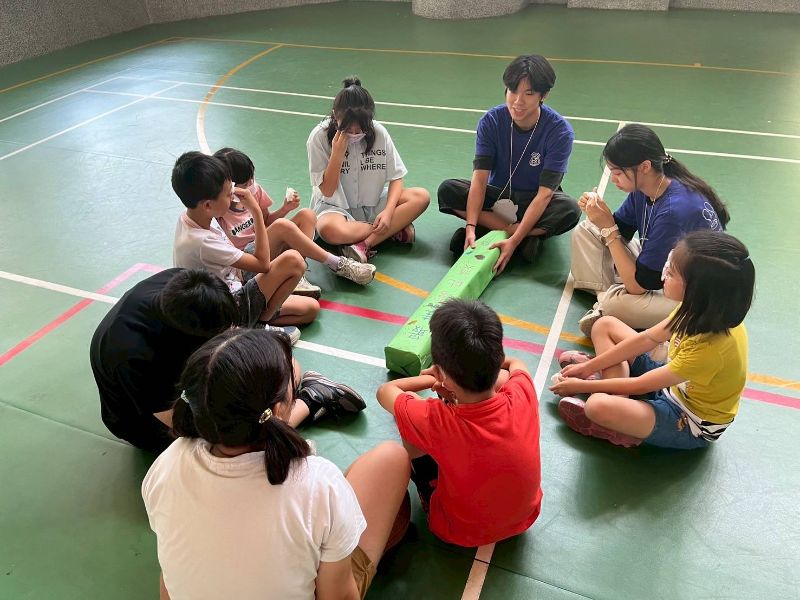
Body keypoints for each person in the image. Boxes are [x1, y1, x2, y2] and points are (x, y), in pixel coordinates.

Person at [142, 328, 410, 599]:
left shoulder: (166, 465)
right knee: (391, 460)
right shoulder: (319, 482)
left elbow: (169, 579)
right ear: (280, 409)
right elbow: (338, 597)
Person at [90, 269, 367, 454]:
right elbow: (180, 423)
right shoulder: (134, 357)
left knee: (289, 370)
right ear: (198, 340)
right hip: (145, 423)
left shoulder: (188, 285)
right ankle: (311, 399)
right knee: (235, 441)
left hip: (183, 382)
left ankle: (292, 404)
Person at [550, 231, 754, 450]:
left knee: (596, 406)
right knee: (604, 325)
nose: (664, 273)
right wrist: (588, 368)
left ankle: (617, 421)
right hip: (672, 383)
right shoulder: (697, 309)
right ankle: (619, 401)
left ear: (696, 291)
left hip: (687, 419)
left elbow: (641, 385)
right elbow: (647, 339)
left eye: (672, 272)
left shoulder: (711, 350)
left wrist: (581, 384)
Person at [377, 299, 542, 547]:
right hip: (524, 519)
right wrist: (450, 379)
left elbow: (386, 391)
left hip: (458, 530)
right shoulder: (523, 391)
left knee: (409, 409)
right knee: (503, 379)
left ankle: (427, 483)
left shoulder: (434, 419)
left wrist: (435, 379)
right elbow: (516, 363)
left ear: (440, 371)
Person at [571, 123, 730, 336]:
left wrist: (608, 227)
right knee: (587, 231)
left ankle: (608, 304)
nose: (613, 179)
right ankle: (608, 298)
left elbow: (638, 286)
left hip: (695, 300)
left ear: (645, 167)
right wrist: (599, 216)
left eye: (618, 173)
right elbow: (621, 231)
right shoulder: (646, 188)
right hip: (668, 272)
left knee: (614, 306)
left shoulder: (674, 210)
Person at [437, 54, 580, 273]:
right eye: (513, 91)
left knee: (569, 209)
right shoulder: (491, 121)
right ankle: (523, 235)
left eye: (528, 94)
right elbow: (480, 180)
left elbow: (544, 195)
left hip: (533, 198)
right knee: (448, 190)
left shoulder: (559, 132)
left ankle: (500, 232)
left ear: (544, 95)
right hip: (498, 195)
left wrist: (512, 242)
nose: (518, 101)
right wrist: (471, 226)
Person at [171, 151, 317, 340]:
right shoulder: (201, 241)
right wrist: (255, 211)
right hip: (229, 308)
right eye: (228, 194)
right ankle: (254, 324)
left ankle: (255, 321)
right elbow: (263, 264)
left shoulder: (195, 216)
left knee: (310, 309)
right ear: (207, 205)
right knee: (294, 261)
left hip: (234, 283)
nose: (232, 196)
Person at [213, 147, 376, 299]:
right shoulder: (219, 209)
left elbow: (266, 222)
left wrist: (285, 209)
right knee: (282, 226)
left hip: (265, 246)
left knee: (307, 215)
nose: (251, 186)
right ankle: (337, 263)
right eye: (245, 185)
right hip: (247, 264)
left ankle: (297, 275)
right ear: (229, 187)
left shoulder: (255, 191)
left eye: (252, 180)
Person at [307, 76, 430, 263]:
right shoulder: (319, 137)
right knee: (329, 231)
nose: (355, 134)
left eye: (360, 129)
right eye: (348, 129)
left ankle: (365, 243)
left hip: (373, 205)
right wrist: (337, 154)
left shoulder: (379, 132)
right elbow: (328, 190)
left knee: (421, 197)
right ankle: (391, 230)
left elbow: (396, 177)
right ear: (334, 116)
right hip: (334, 208)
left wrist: (388, 212)